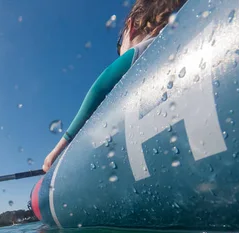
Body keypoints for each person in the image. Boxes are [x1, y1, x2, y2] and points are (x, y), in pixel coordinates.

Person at [42, 0, 187, 172]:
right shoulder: (181, 38)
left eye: (119, 45)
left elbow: (101, 87)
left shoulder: (146, 48)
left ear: (131, 26)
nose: (119, 53)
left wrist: (57, 150)